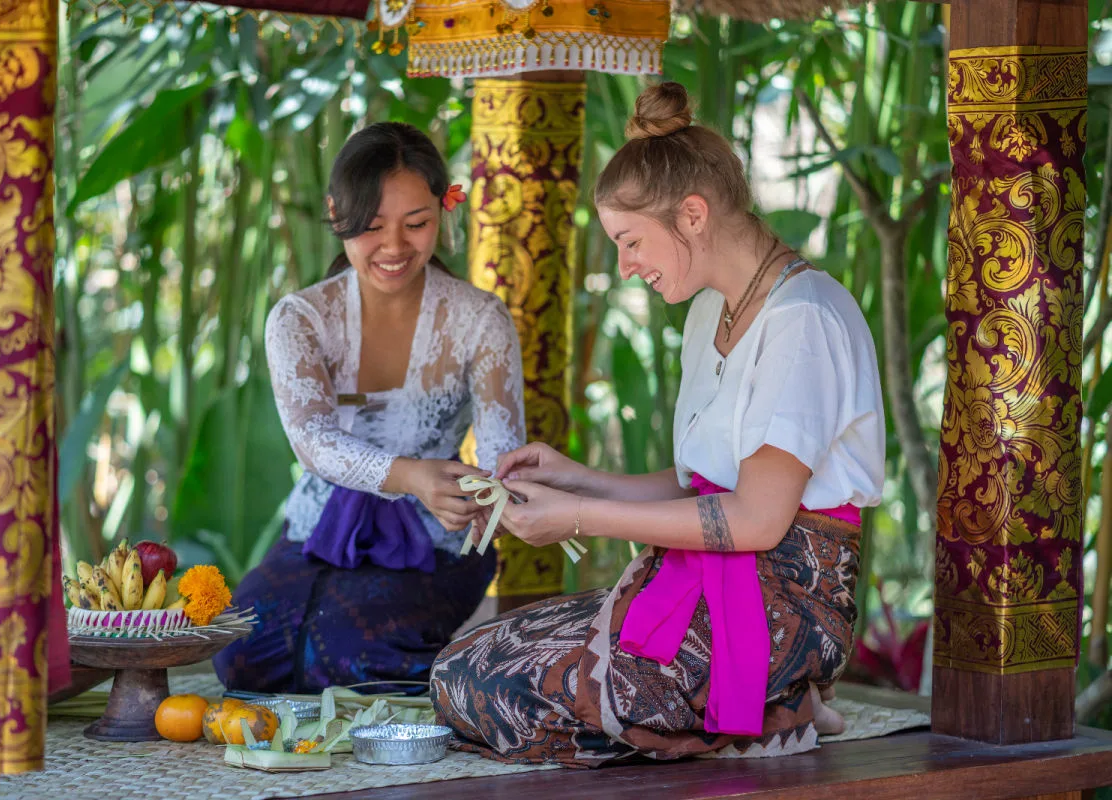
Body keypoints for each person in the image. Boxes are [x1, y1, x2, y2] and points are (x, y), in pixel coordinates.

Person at [430, 82, 885, 765]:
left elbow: (756, 522)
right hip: (708, 576)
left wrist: (578, 515)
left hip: (785, 598)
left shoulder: (803, 319)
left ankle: (780, 687)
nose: (625, 265)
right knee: (459, 667)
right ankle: (774, 705)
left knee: (511, 693)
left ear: (693, 215)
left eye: (632, 240)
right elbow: (693, 487)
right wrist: (572, 476)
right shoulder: (712, 311)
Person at [214, 122, 525, 693]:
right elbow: (313, 443)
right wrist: (410, 476)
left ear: (443, 209)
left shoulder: (481, 319)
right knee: (242, 654)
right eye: (372, 227)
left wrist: (483, 499)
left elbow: (505, 453)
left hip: (435, 537)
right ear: (338, 215)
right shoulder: (299, 319)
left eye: (416, 224)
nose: (394, 247)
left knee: (361, 660)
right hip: (318, 527)